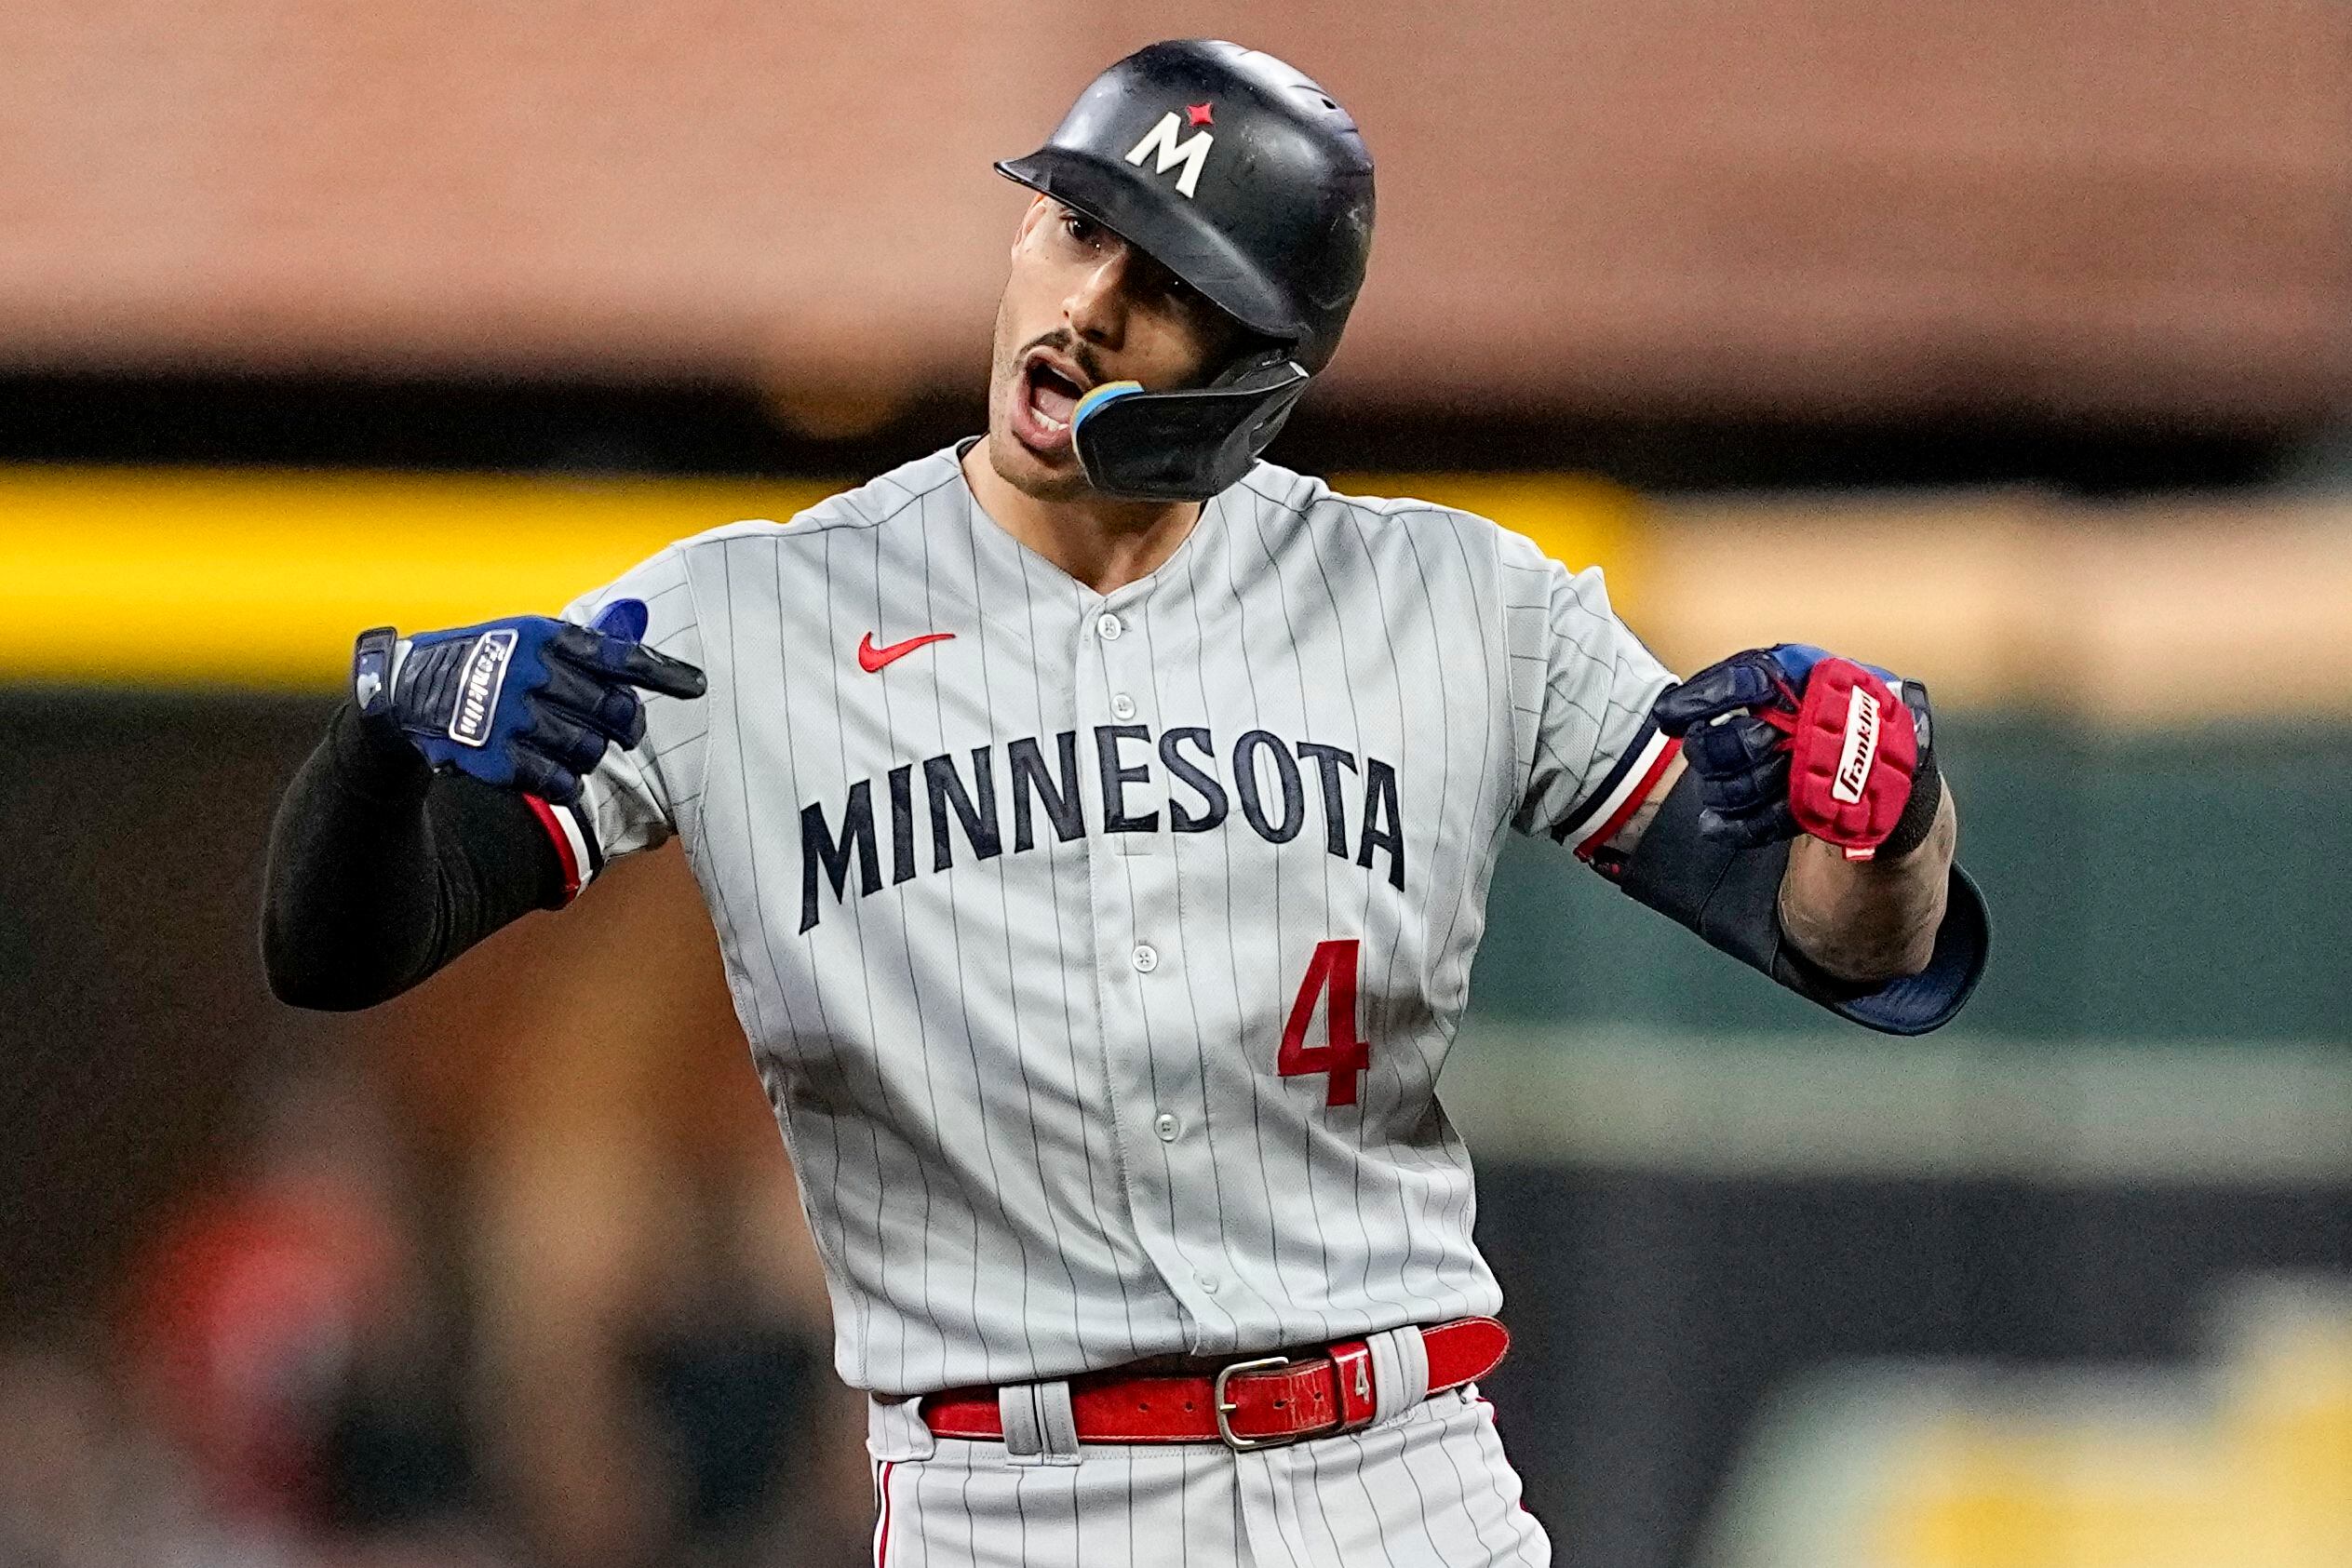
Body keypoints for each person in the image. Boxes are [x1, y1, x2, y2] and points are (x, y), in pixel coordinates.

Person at [262, 39, 1986, 1566]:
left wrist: (1890, 827)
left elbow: (1839, 947)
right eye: (1074, 228)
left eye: (1160, 279)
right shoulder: (745, 619)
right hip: (1014, 1503)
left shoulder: (1463, 604)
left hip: (1398, 1483)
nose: (1084, 304)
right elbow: (340, 944)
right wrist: (380, 742)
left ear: (1264, 361)